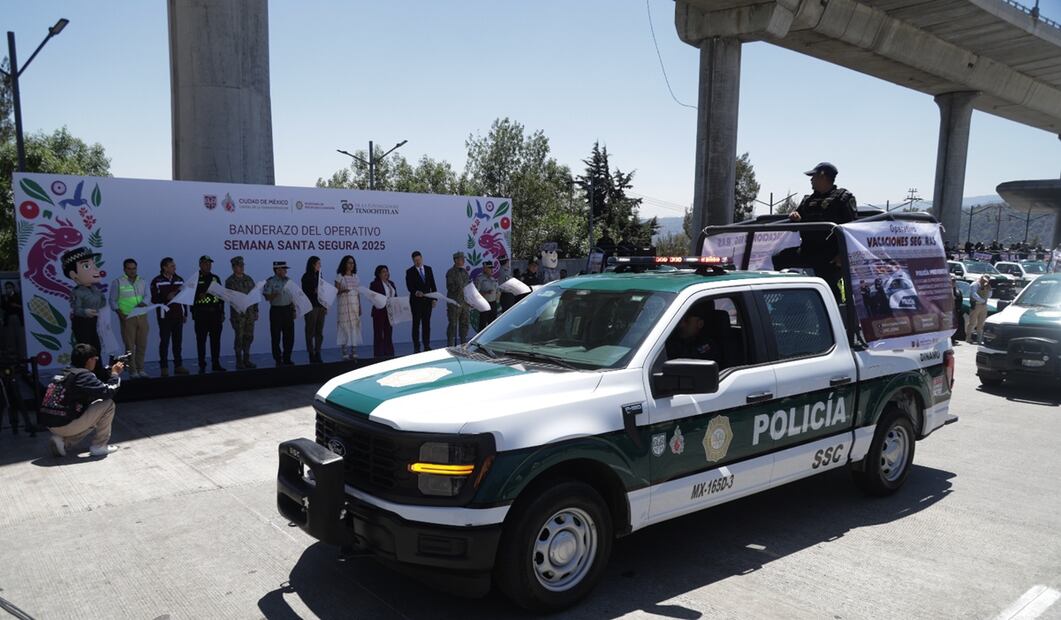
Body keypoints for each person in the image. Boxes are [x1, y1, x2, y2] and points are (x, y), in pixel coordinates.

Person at [773, 162, 857, 301]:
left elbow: (851, 228)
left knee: (828, 284)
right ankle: (788, 299)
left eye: (813, 176)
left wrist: (841, 255)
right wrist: (795, 217)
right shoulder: (809, 200)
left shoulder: (843, 198)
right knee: (779, 258)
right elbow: (797, 216)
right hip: (808, 249)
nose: (811, 180)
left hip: (830, 254)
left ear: (823, 176)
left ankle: (836, 314)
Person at [40, 343, 122, 458]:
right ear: (89, 360)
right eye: (95, 359)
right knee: (107, 405)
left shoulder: (64, 372)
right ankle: (99, 447)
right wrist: (115, 374)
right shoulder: (83, 375)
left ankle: (63, 443)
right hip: (64, 425)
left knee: (92, 411)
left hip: (50, 423)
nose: (96, 361)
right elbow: (108, 391)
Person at [109, 258, 150, 379]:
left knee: (142, 344)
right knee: (129, 346)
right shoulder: (118, 282)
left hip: (142, 316)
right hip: (127, 317)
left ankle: (141, 368)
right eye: (129, 269)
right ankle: (133, 370)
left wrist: (144, 303)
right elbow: (112, 300)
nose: (132, 271)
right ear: (124, 269)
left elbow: (148, 296)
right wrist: (119, 313)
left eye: (134, 268)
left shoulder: (142, 281)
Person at [150, 257, 189, 377]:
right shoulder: (157, 281)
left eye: (174, 265)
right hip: (164, 316)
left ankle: (178, 365)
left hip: (178, 315)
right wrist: (166, 297)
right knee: (165, 342)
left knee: (178, 342)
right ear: (164, 267)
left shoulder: (179, 280)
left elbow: (185, 298)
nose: (174, 267)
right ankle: (164, 367)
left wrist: (185, 313)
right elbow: (154, 299)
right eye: (172, 266)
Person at [64, 247, 106, 353]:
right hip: (82, 323)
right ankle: (85, 369)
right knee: (86, 350)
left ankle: (97, 369)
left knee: (96, 348)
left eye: (94, 265)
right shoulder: (77, 292)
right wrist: (85, 312)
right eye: (87, 266)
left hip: (93, 322)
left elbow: (101, 302)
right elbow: (76, 309)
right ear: (74, 275)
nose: (95, 269)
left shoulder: (94, 289)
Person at [192, 255, 226, 374]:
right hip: (201, 314)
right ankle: (202, 364)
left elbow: (222, 296)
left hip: (215, 313)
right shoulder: (195, 278)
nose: (208, 265)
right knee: (201, 340)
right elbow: (188, 296)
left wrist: (222, 312)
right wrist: (197, 296)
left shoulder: (215, 278)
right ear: (200, 265)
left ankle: (216, 363)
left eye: (210, 263)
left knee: (216, 340)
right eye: (206, 263)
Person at [225, 256, 258, 369]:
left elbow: (254, 295)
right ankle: (239, 361)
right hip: (238, 314)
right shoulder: (230, 281)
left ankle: (246, 359)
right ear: (234, 267)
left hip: (250, 313)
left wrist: (256, 311)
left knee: (249, 336)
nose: (242, 267)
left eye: (243, 265)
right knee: (239, 337)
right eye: (239, 266)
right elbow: (232, 297)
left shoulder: (249, 279)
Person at [405, 251, 437, 353]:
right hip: (416, 302)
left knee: (426, 323)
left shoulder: (428, 269)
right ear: (413, 261)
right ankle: (416, 345)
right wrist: (415, 292)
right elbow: (409, 286)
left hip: (427, 301)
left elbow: (433, 285)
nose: (417, 262)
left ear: (422, 258)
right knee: (416, 324)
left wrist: (434, 299)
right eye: (415, 261)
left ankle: (426, 345)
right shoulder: (409, 271)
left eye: (419, 260)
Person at [264, 261, 295, 367]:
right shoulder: (270, 281)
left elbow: (293, 297)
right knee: (276, 336)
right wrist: (275, 294)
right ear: (277, 270)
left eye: (286, 269)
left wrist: (294, 310)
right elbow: (267, 297)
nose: (286, 271)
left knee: (289, 336)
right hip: (276, 311)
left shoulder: (289, 281)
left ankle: (287, 358)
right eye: (283, 269)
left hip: (288, 310)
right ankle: (278, 358)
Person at [334, 255, 361, 360]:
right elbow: (335, 291)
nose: (351, 265)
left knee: (354, 327)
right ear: (344, 264)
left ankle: (354, 351)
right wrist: (342, 291)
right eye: (349, 263)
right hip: (344, 306)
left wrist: (360, 306)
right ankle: (344, 351)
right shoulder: (339, 276)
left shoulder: (356, 276)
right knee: (344, 327)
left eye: (352, 263)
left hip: (354, 305)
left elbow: (357, 292)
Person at [301, 256, 327, 364]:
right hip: (311, 307)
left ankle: (318, 352)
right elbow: (306, 292)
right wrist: (315, 290)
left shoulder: (320, 276)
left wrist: (325, 305)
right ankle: (311, 352)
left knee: (319, 331)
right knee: (310, 331)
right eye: (318, 264)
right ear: (312, 265)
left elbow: (323, 292)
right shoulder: (306, 276)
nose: (320, 266)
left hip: (320, 306)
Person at [369, 265, 397, 357]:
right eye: (383, 271)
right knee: (378, 334)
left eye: (387, 271)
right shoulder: (374, 284)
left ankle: (389, 353)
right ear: (378, 274)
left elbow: (395, 296)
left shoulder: (391, 283)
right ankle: (378, 354)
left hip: (389, 312)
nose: (386, 273)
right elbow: (372, 298)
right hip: (379, 312)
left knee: (388, 333)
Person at [445, 252, 470, 347]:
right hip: (454, 303)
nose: (463, 261)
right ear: (456, 260)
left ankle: (463, 345)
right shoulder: (450, 272)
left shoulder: (464, 272)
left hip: (464, 303)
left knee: (464, 325)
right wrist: (459, 286)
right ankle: (450, 345)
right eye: (461, 259)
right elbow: (450, 287)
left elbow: (467, 287)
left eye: (464, 259)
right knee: (453, 325)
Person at [966, 274, 991, 344]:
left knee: (981, 323)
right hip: (976, 305)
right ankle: (968, 338)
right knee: (972, 323)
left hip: (984, 306)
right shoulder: (975, 284)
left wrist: (989, 289)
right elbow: (974, 294)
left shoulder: (986, 286)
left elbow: (989, 295)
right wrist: (982, 300)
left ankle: (979, 339)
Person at [475, 261, 500, 330]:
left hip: (493, 303)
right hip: (484, 304)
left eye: (492, 268)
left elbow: (497, 290)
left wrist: (498, 295)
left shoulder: (494, 279)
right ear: (485, 269)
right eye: (489, 268)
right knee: (482, 324)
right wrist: (485, 292)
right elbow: (476, 293)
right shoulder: (479, 279)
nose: (492, 270)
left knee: (492, 324)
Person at [952, 275, 966, 344]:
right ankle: (951, 339)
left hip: (957, 310)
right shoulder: (946, 290)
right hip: (950, 311)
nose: (953, 282)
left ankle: (954, 338)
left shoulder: (957, 290)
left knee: (957, 325)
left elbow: (960, 298)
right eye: (952, 281)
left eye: (954, 281)